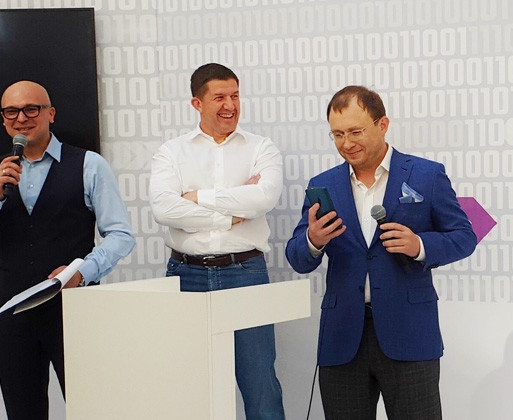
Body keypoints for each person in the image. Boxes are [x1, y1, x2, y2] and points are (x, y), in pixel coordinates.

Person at [285, 85, 477, 419]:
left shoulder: (427, 175)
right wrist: (313, 240)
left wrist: (420, 246)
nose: (346, 143)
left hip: (409, 334)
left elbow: (464, 236)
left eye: (355, 131)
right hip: (342, 337)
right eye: (337, 135)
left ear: (383, 124)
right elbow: (297, 257)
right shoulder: (323, 185)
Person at [0, 80, 135, 420]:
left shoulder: (89, 165)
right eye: (11, 111)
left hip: (76, 311)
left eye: (31, 109)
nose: (21, 118)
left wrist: (82, 272)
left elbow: (120, 235)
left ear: (50, 114)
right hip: (12, 313)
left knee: (91, 409)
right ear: (3, 120)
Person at [149, 63, 286, 420]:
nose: (230, 105)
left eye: (235, 96)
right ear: (197, 103)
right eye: (220, 97)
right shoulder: (172, 152)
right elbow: (164, 208)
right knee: (189, 384)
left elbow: (263, 198)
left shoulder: (261, 148)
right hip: (186, 275)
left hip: (245, 273)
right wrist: (230, 215)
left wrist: (196, 197)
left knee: (260, 383)